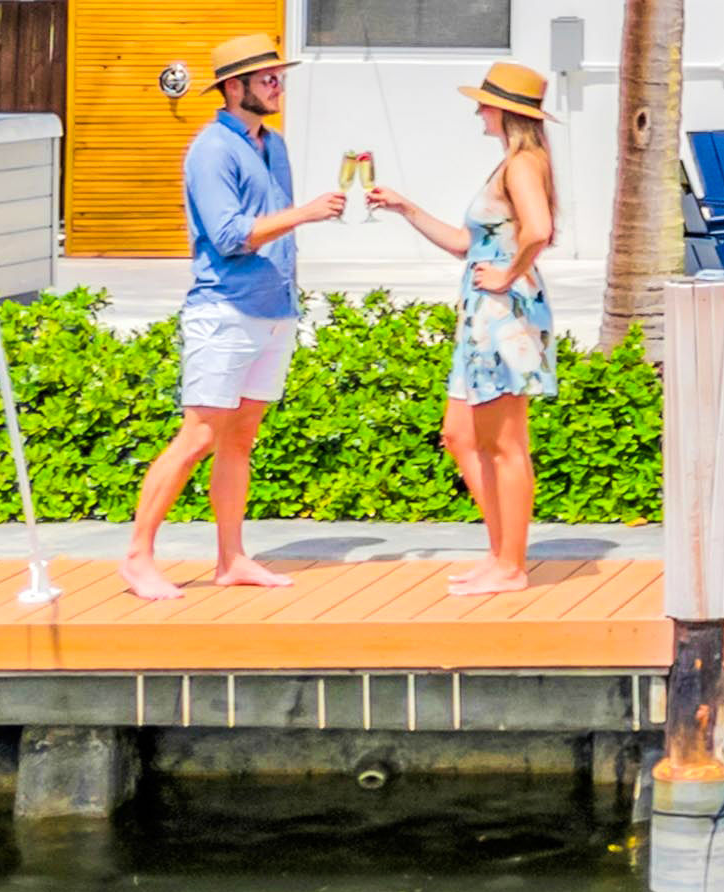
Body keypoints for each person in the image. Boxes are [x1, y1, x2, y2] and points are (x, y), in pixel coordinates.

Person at [119, 33, 352, 602]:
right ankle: (137, 557)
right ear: (233, 87)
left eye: (279, 75)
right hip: (224, 310)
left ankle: (232, 558)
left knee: (240, 440)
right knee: (198, 435)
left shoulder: (273, 144)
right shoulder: (211, 150)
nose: (278, 84)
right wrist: (305, 214)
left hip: (274, 312)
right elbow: (227, 237)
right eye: (267, 77)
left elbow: (274, 226)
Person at [368, 60, 560, 596]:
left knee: (506, 444)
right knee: (459, 435)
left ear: (503, 110)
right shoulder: (511, 164)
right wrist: (406, 208)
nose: (477, 110)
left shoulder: (522, 163)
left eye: (483, 103)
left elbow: (539, 230)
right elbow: (465, 244)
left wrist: (507, 275)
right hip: (483, 314)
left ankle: (512, 565)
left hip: (503, 315)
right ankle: (500, 553)